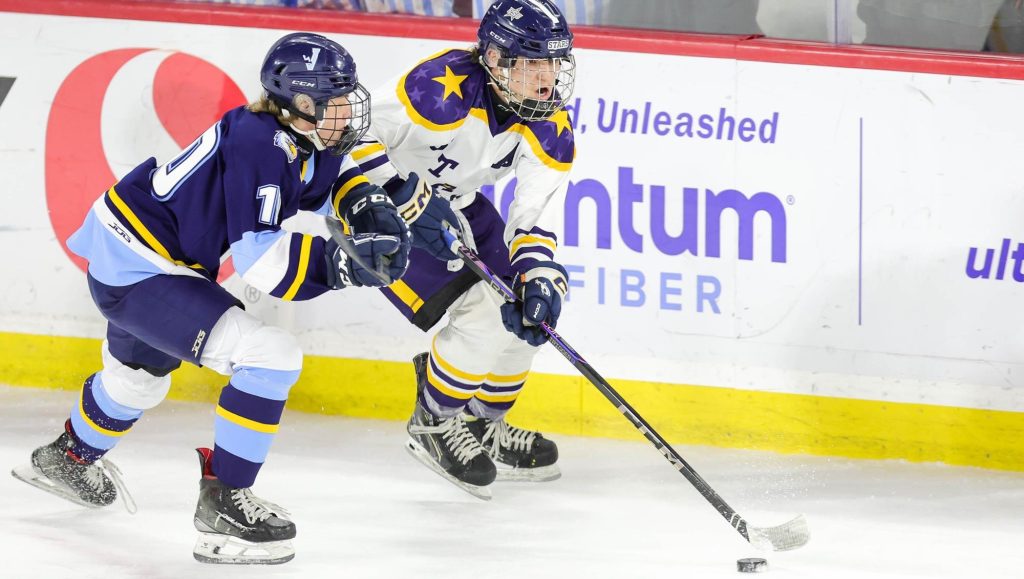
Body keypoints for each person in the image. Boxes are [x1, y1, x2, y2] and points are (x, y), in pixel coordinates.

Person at [11, 32, 412, 564]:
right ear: (302, 101)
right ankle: (223, 505)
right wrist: (340, 266)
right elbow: (260, 261)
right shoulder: (260, 143)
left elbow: (329, 177)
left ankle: (67, 459)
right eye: (335, 98)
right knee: (270, 355)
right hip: (141, 265)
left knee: (136, 383)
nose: (347, 109)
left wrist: (365, 204)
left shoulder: (293, 137)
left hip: (136, 254)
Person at [351, 0, 576, 499]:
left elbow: (534, 214)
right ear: (495, 60)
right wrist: (397, 192)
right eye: (532, 63)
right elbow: (350, 135)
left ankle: (478, 427)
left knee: (526, 309)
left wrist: (539, 273)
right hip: (372, 205)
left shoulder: (549, 122)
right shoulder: (440, 89)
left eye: (554, 63)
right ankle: (433, 423)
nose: (548, 78)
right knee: (482, 314)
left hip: (458, 206)